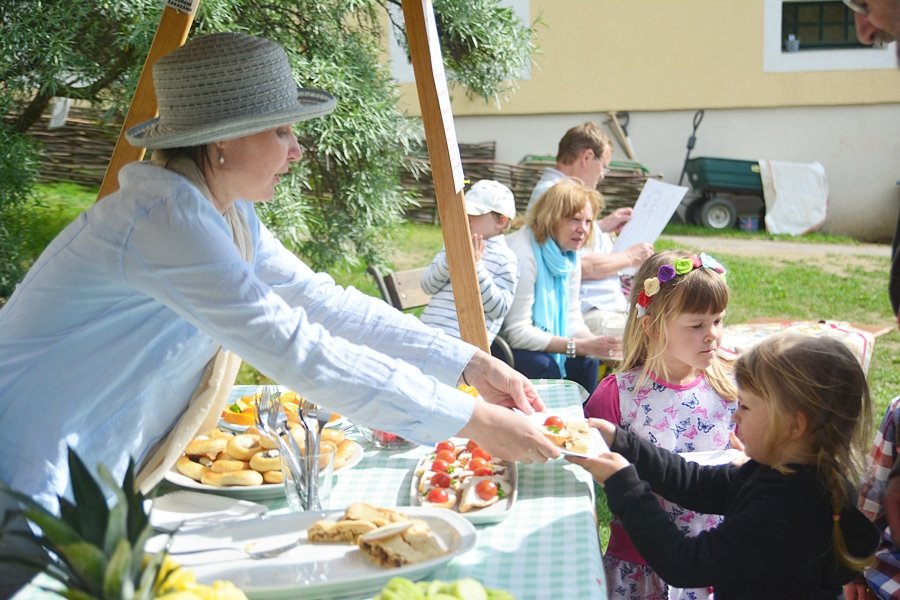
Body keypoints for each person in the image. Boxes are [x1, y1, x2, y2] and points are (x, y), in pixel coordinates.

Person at [0, 32, 562, 590]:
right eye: (282, 129)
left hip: (71, 487)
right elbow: (296, 349)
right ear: (221, 140)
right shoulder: (166, 218)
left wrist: (468, 363)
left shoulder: (224, 214)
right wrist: (474, 420)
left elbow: (324, 304)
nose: (297, 149)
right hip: (20, 487)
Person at [570, 334, 880, 599]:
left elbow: (684, 563)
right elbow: (695, 483)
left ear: (793, 425)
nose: (735, 417)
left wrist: (625, 485)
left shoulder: (785, 509)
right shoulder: (779, 470)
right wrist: (621, 442)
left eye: (744, 406)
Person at [583, 249, 738, 600]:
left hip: (711, 564)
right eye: (696, 324)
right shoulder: (617, 395)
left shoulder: (731, 391)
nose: (712, 334)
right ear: (652, 326)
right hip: (639, 567)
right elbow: (585, 479)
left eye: (718, 320)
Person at [529, 122, 653, 338]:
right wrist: (630, 257)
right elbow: (578, 266)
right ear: (586, 157)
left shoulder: (561, 192)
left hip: (603, 308)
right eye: (604, 166)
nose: (603, 175)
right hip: (590, 311)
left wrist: (603, 225)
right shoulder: (555, 195)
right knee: (662, 334)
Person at [501, 179, 621, 395]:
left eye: (588, 221)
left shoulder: (568, 256)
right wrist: (580, 346)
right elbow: (516, 333)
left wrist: (598, 344)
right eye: (575, 220)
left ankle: (582, 425)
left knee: (587, 362)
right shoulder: (523, 253)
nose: (583, 229)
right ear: (551, 219)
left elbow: (572, 318)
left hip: (531, 339)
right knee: (545, 365)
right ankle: (547, 426)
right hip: (499, 346)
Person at [420, 179, 518, 346]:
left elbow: (498, 309)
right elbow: (427, 286)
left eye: (476, 213)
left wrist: (477, 267)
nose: (467, 217)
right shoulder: (454, 242)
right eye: (466, 211)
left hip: (463, 347)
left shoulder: (505, 259)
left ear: (501, 221)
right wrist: (448, 259)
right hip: (426, 334)